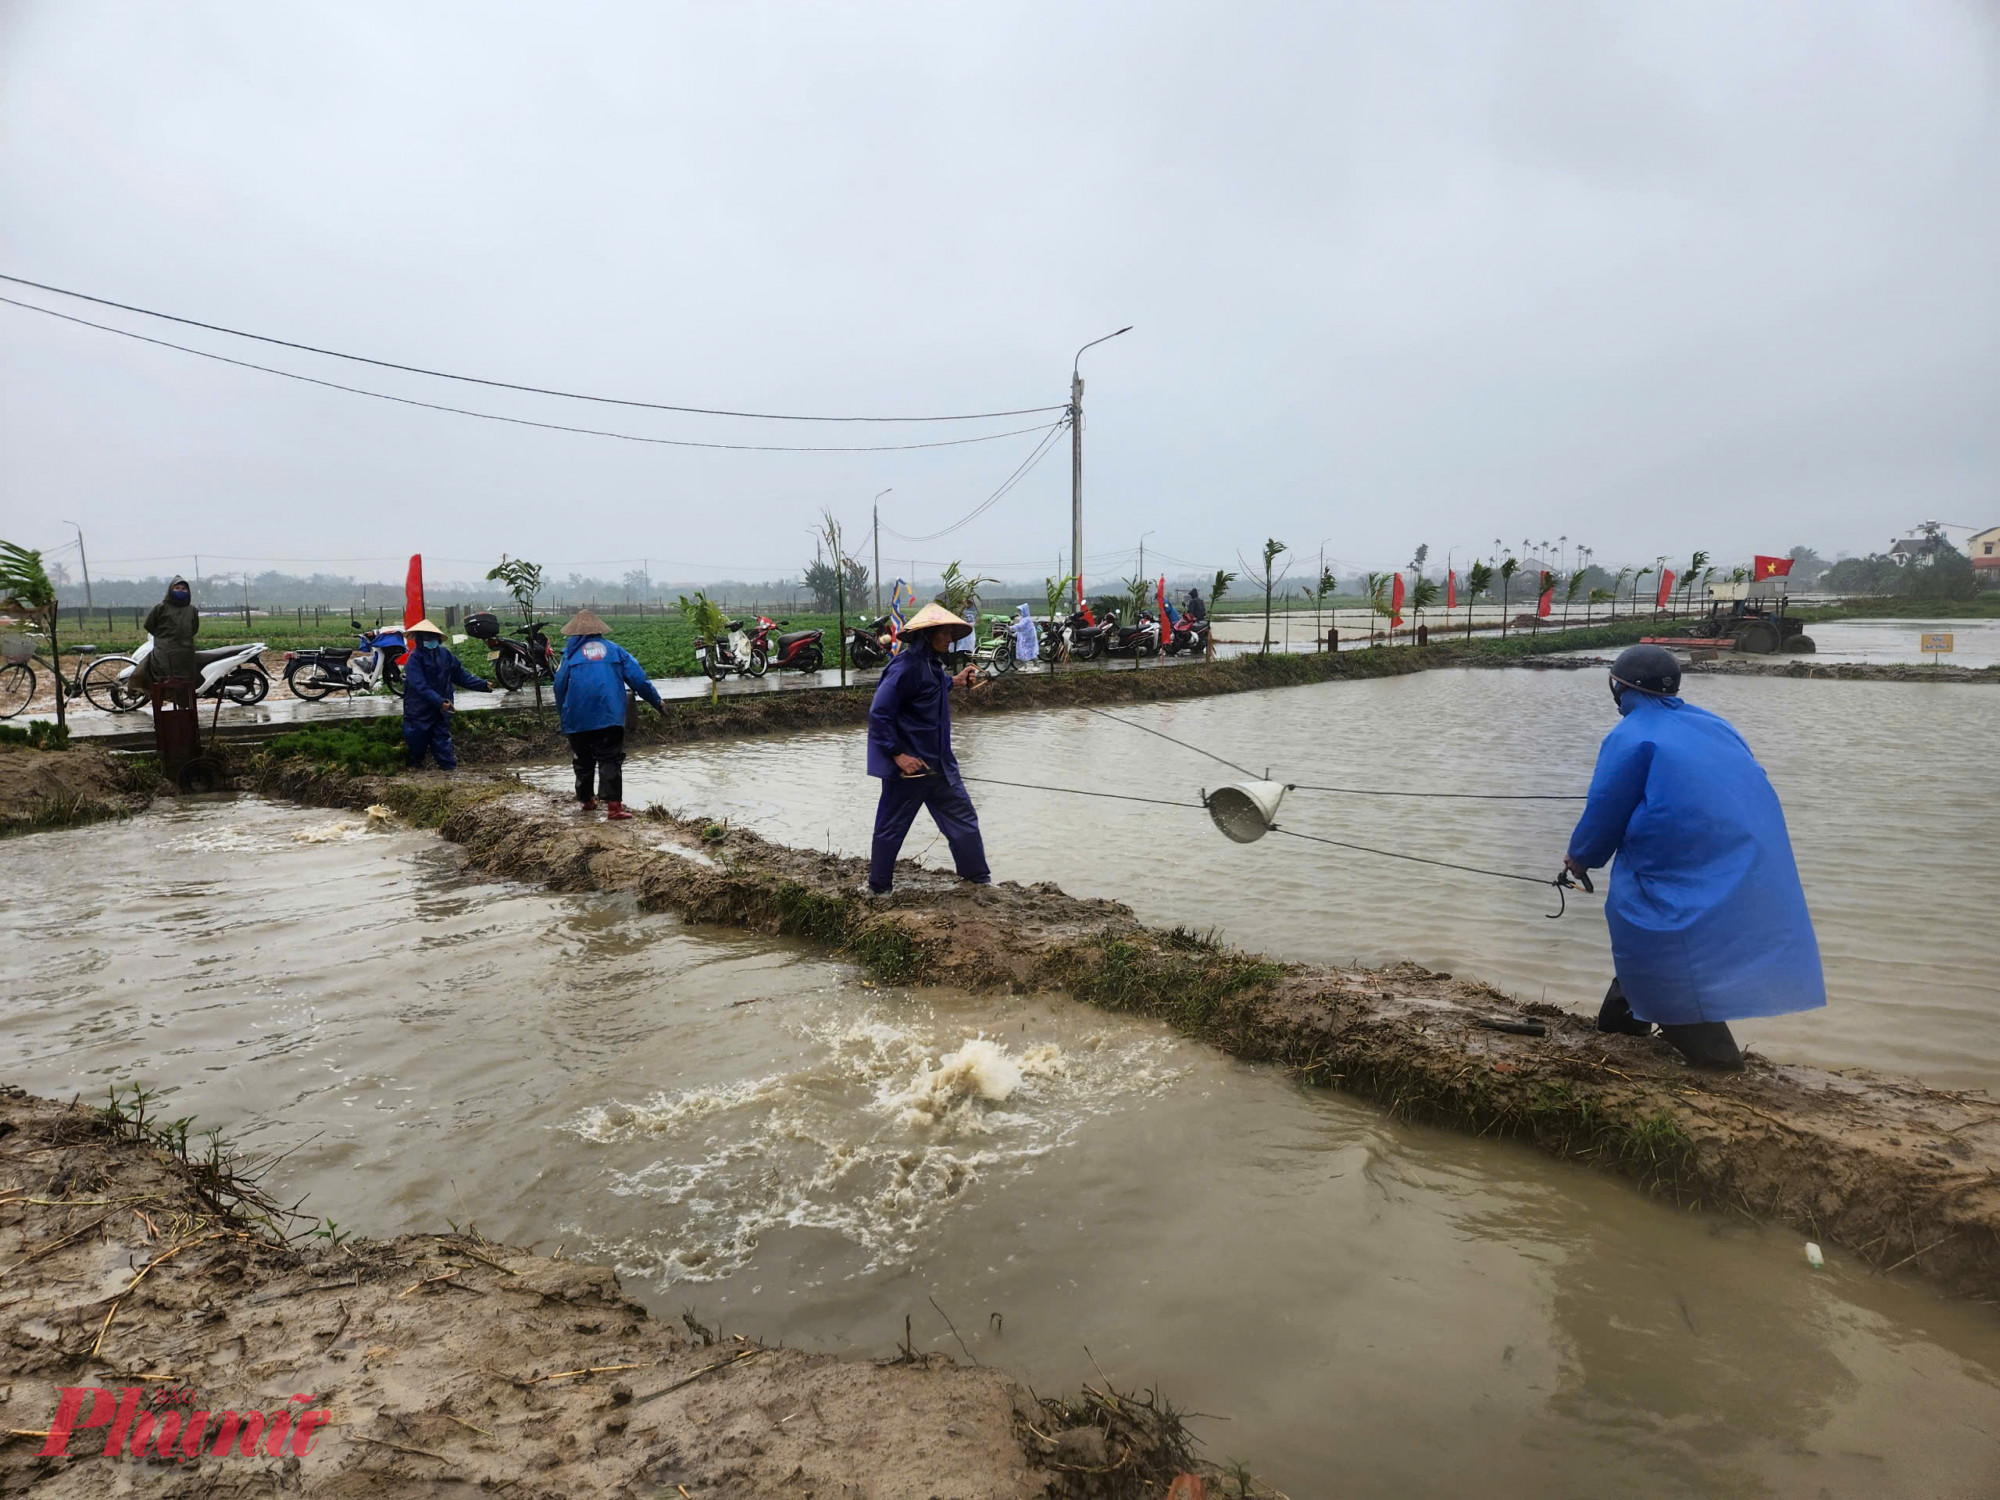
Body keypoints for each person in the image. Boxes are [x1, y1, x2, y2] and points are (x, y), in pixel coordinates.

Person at [1564, 644, 1823, 1070]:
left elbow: (1606, 807)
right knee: (1657, 947)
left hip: (1677, 865)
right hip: (1741, 858)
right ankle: (1620, 1030)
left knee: (1658, 947)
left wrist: (1580, 859)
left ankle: (1720, 1063)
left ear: (1621, 686)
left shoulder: (1629, 734)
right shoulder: (1713, 724)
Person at [863, 601, 991, 895]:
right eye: (944, 633)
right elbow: (879, 714)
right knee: (891, 828)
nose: (949, 638)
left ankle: (978, 884)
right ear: (928, 634)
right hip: (912, 769)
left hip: (941, 766)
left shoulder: (932, 666)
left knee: (965, 823)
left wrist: (955, 682)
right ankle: (878, 889)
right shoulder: (904, 667)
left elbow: (931, 688)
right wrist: (898, 755)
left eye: (950, 633)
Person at [552, 608, 662, 819]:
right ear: (599, 631)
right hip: (609, 716)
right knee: (610, 758)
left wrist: (563, 713)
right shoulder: (615, 651)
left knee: (582, 759)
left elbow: (559, 686)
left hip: (577, 718)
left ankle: (587, 801)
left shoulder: (569, 655)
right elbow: (638, 680)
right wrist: (657, 702)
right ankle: (614, 808)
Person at [401, 619, 490, 771]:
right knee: (417, 741)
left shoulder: (445, 655)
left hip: (442, 707)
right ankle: (415, 766)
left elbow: (460, 675)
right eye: (426, 638)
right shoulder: (414, 660)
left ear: (438, 639)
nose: (430, 641)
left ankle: (449, 772)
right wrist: (439, 701)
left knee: (443, 741)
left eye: (432, 638)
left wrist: (481, 685)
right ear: (419, 639)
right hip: (418, 708)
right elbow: (420, 686)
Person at [131, 575, 199, 698]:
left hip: (185, 653)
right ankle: (160, 711)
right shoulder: (160, 608)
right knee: (161, 683)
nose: (180, 591)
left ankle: (185, 713)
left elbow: (194, 629)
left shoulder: (192, 610)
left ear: (188, 592)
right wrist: (164, 638)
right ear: (170, 590)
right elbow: (149, 625)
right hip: (163, 652)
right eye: (177, 588)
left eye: (184, 589)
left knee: (184, 685)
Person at [1010, 602, 1039, 670]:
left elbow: (1020, 626)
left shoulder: (1027, 620)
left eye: (1020, 611)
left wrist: (1010, 628)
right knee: (1022, 652)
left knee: (1031, 652)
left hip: (1029, 639)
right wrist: (1016, 634)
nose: (1019, 612)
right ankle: (1023, 666)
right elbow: (1021, 629)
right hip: (1023, 638)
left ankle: (1036, 665)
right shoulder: (1022, 619)